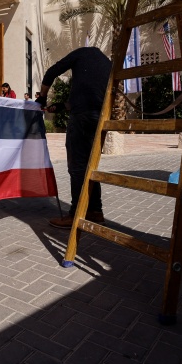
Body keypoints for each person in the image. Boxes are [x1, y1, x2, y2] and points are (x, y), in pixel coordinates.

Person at [36, 47, 112, 229]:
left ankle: (75, 214)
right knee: (90, 165)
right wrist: (61, 106)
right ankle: (95, 211)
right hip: (99, 119)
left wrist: (43, 98)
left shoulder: (81, 54)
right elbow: (89, 96)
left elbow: (51, 72)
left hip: (82, 118)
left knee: (77, 166)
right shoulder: (106, 63)